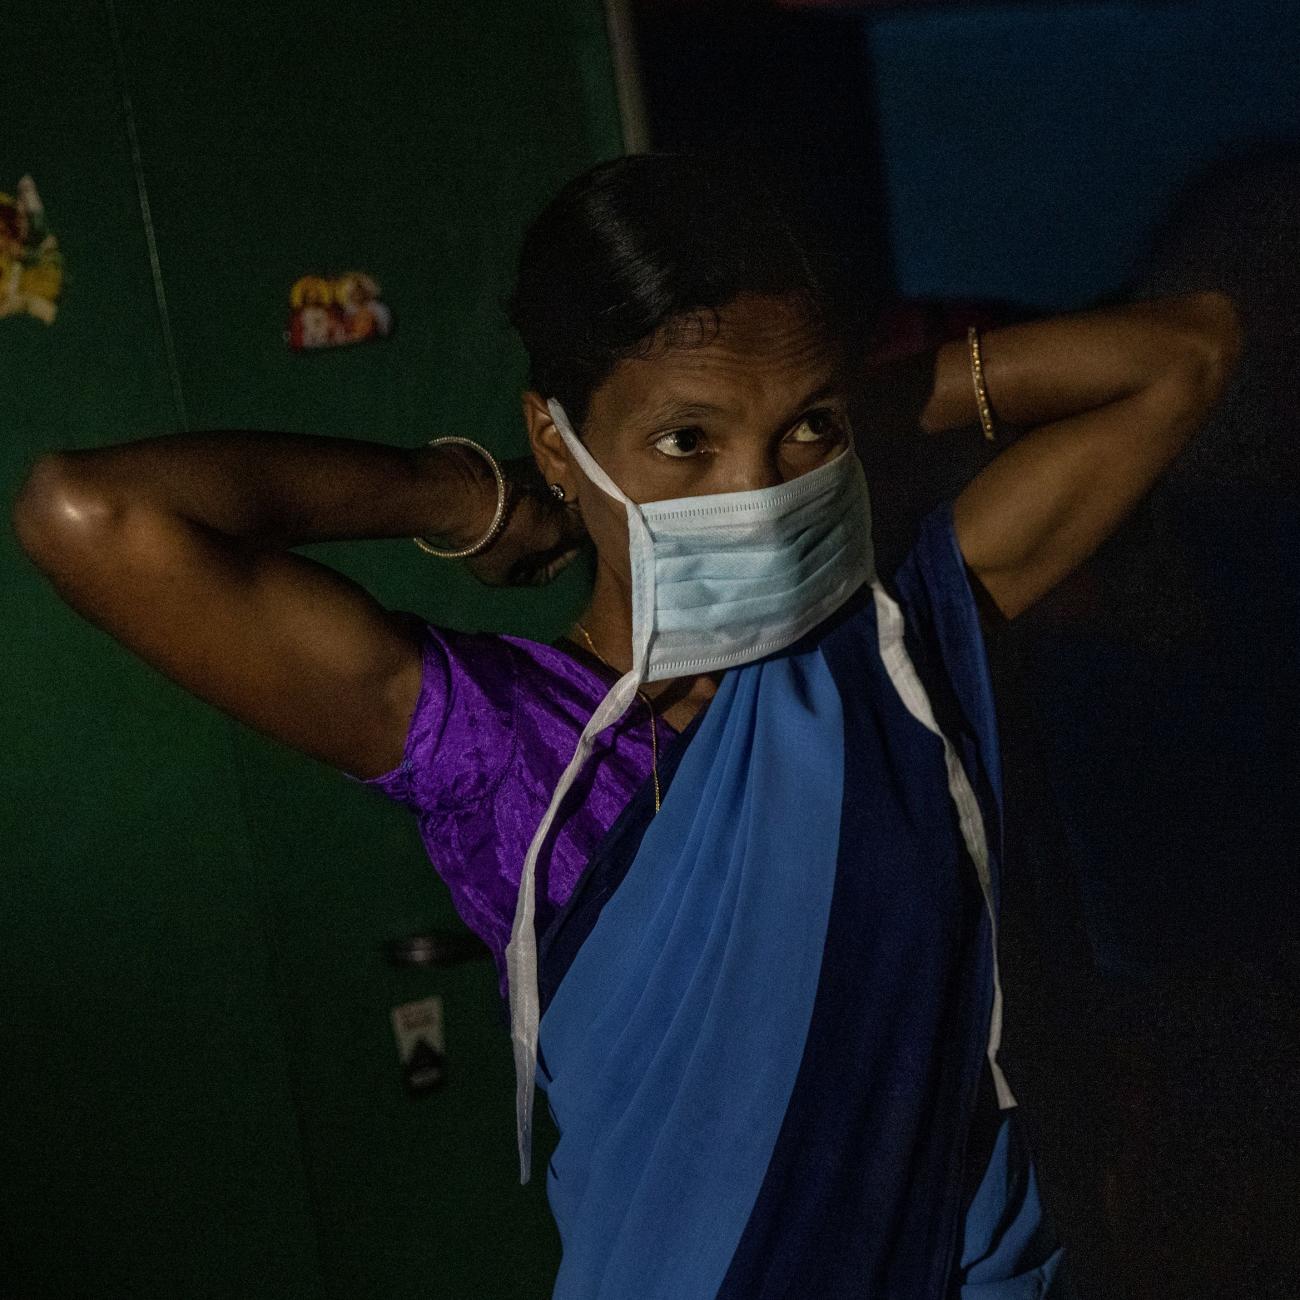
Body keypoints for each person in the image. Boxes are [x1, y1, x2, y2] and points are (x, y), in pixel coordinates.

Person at [12, 152, 1240, 1298]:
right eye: (684, 442)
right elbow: (90, 513)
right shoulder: (499, 744)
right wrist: (465, 497)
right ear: (559, 436)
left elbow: (1188, 350)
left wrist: (828, 399)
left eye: (800, 433)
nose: (755, 495)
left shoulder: (893, 649)